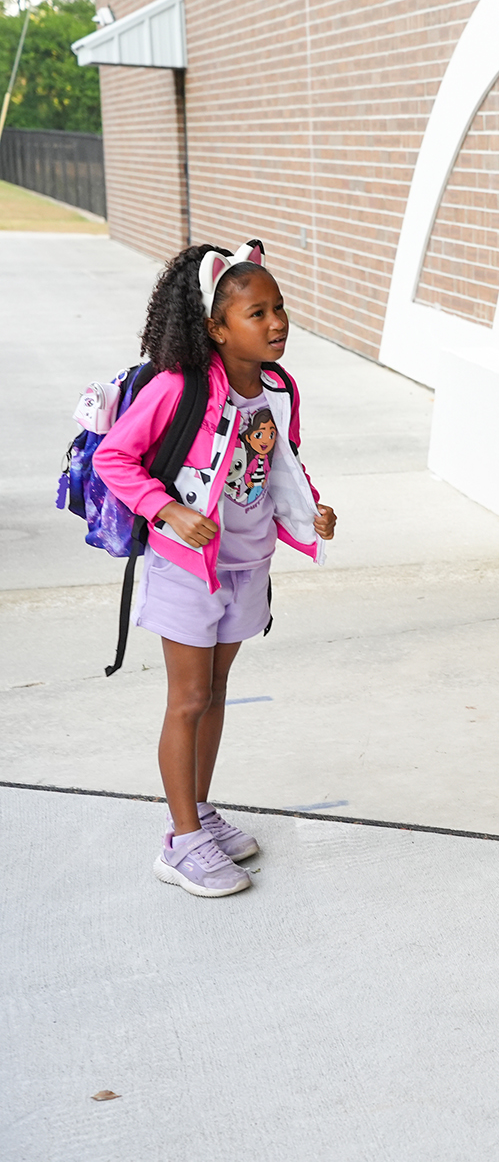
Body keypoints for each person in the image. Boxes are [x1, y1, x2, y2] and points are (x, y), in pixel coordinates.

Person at [97, 241, 337, 898]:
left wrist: (310, 510)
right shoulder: (179, 389)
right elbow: (115, 460)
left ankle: (198, 812)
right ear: (215, 326)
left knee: (219, 690)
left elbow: (280, 461)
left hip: (246, 565)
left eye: (279, 308)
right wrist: (168, 510)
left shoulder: (278, 389)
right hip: (186, 570)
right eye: (257, 312)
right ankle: (178, 842)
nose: (277, 322)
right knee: (189, 699)